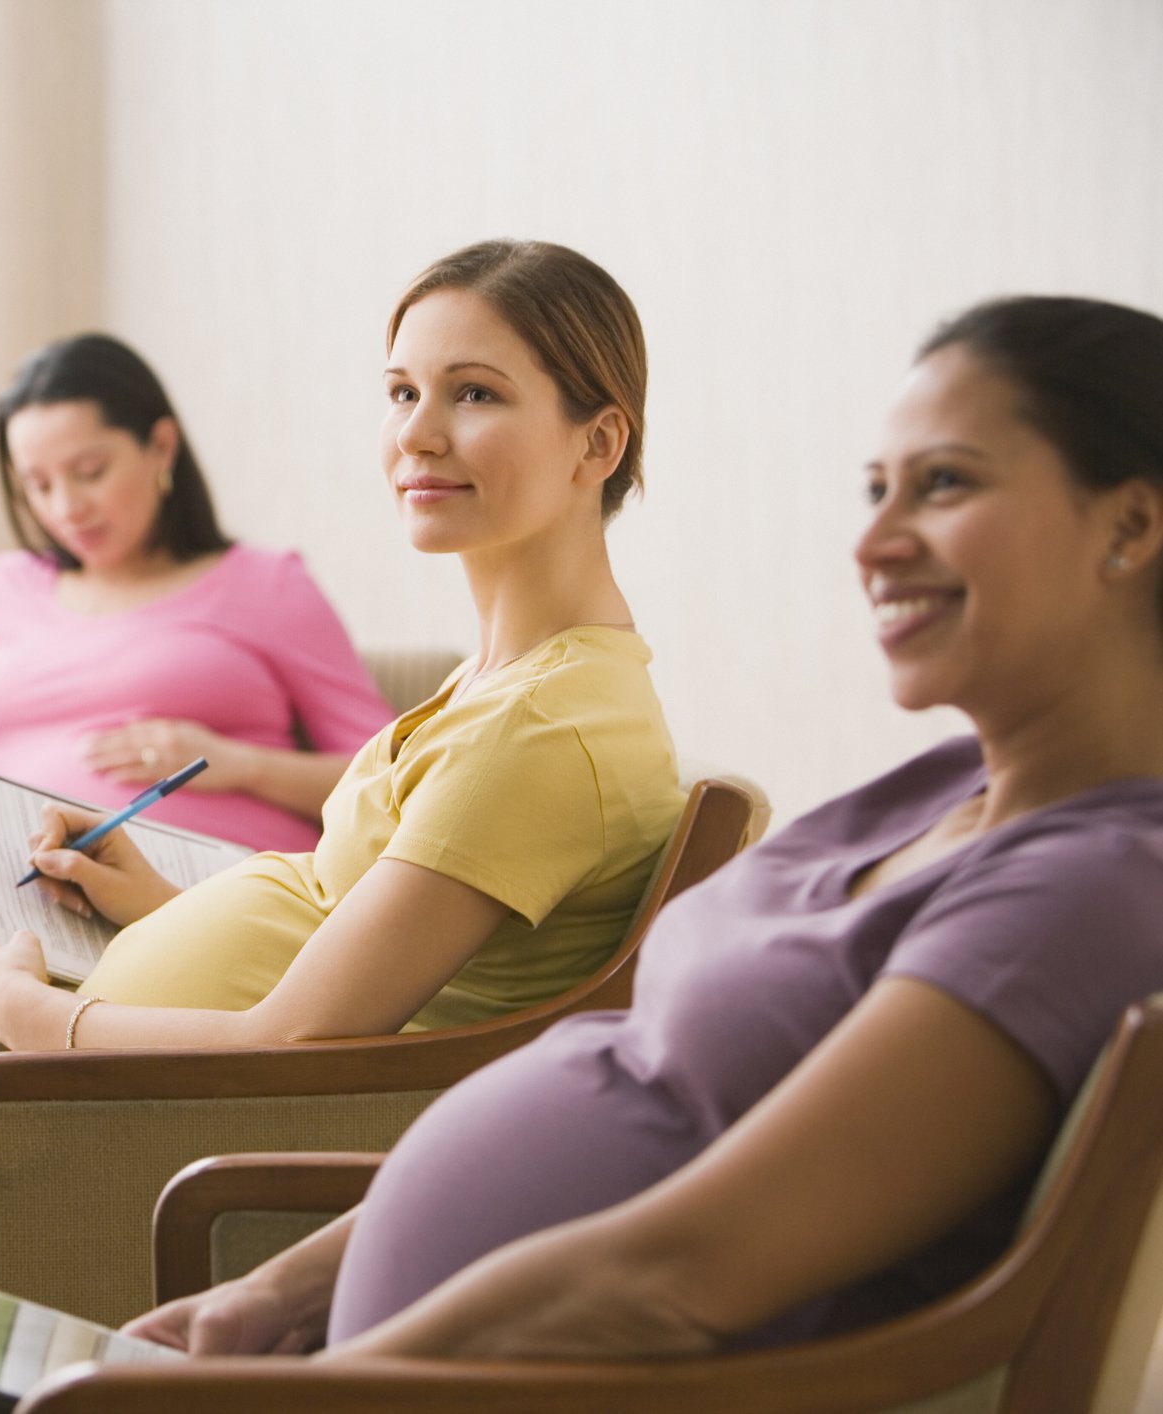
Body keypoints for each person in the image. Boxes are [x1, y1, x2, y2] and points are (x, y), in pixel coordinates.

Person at [0, 238, 688, 1414]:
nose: (417, 433)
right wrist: (148, 901)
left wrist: (39, 1016)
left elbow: (300, 1043)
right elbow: (348, 931)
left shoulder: (545, 726)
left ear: (599, 440)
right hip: (156, 1125)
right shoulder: (502, 687)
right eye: (401, 391)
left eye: (473, 393)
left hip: (190, 1160)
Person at [122, 295, 1163, 1369]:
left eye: (943, 483)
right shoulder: (943, 790)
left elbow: (678, 1277)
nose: (873, 542)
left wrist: (317, 1397)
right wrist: (280, 1294)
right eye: (874, 490)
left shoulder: (1084, 893)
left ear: (1129, 525)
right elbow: (633, 1080)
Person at [0, 332, 393, 997]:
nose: (65, 507)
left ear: (160, 446)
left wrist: (240, 765)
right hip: (21, 910)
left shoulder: (264, 583)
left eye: (89, 472)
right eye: (38, 484)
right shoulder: (3, 587)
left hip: (193, 901)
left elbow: (391, 776)